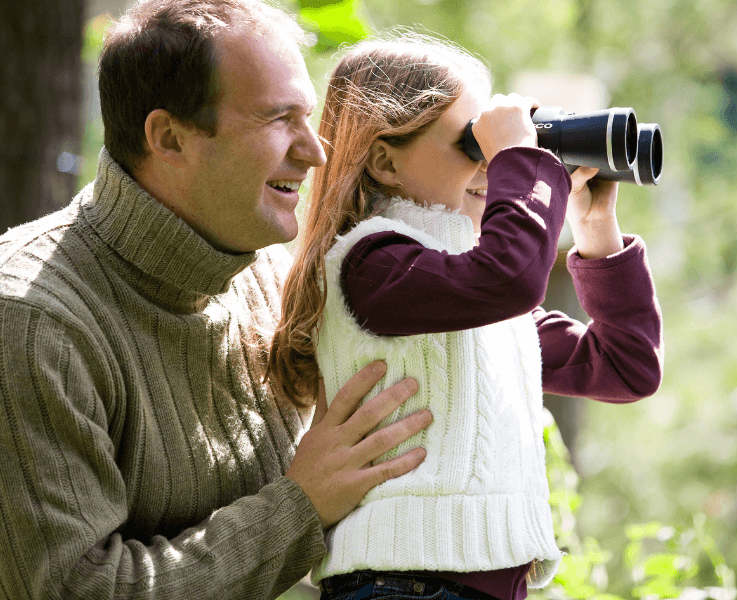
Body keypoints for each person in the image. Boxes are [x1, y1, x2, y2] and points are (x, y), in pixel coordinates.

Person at [0, 1, 433, 598]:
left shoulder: (270, 277)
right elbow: (75, 590)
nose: (315, 151)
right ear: (169, 138)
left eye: (307, 117)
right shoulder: (30, 323)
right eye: (279, 120)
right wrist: (299, 509)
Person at [266, 33, 664, 600]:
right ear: (384, 160)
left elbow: (626, 367)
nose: (491, 165)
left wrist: (596, 229)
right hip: (400, 586)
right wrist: (522, 162)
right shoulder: (374, 265)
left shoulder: (478, 302)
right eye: (473, 144)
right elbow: (506, 278)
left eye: (493, 145)